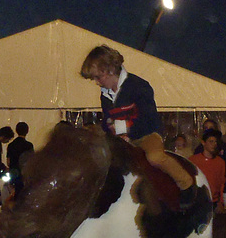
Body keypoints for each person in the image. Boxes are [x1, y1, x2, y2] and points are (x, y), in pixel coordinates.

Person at [81, 45, 196, 209]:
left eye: (98, 77)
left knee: (155, 158)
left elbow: (147, 119)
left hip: (146, 134)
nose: (97, 82)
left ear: (110, 69)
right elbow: (108, 119)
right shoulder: (105, 94)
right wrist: (105, 130)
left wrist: (123, 130)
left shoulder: (139, 86)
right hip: (121, 138)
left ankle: (186, 183)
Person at [189, 129, 225, 213]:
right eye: (211, 141)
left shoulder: (220, 162)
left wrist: (221, 202)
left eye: (215, 142)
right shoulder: (193, 160)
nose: (214, 144)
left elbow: (222, 183)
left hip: (213, 201)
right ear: (203, 143)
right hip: (198, 201)